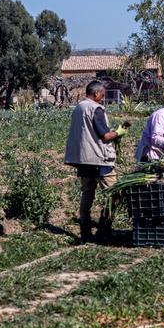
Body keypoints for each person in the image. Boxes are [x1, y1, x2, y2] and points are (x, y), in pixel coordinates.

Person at [65, 80, 127, 243]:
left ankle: (85, 232)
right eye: (102, 95)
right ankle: (104, 228)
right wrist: (119, 132)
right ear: (96, 93)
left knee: (87, 195)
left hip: (83, 159)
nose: (103, 98)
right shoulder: (95, 108)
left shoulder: (79, 107)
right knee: (116, 194)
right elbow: (105, 136)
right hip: (99, 159)